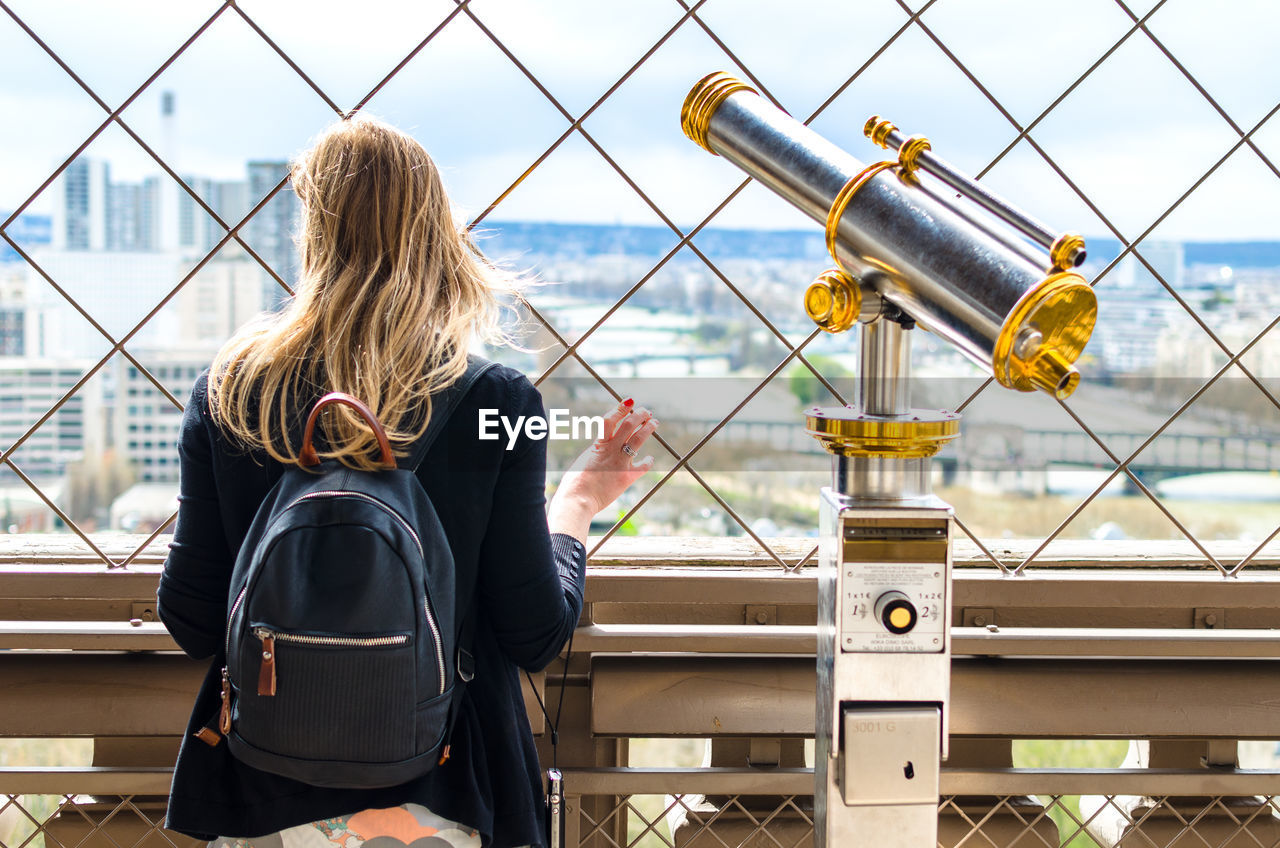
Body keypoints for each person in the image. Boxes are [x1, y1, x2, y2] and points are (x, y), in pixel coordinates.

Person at [156, 116, 658, 848]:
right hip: (450, 795)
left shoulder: (229, 395)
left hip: (261, 793)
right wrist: (578, 504)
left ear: (314, 237)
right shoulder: (497, 402)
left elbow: (192, 619)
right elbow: (534, 632)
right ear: (436, 235)